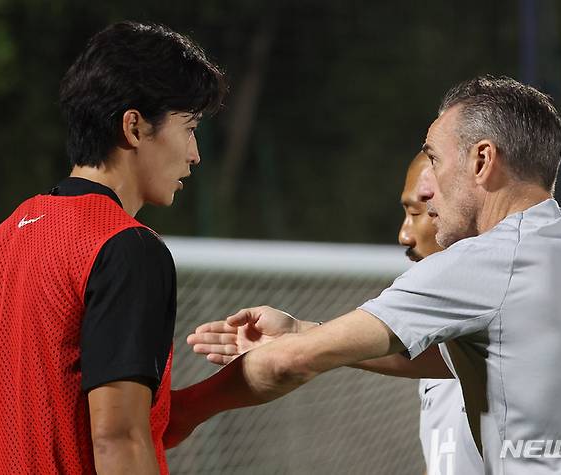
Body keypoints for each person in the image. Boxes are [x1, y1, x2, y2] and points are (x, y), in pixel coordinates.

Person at [182, 76, 561, 474]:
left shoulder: (482, 262)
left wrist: (180, 413)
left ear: (482, 160)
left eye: (435, 161)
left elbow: (291, 363)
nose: (430, 188)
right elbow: (485, 359)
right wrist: (303, 329)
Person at [0, 21, 225, 474]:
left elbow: (78, 417)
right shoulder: (125, 247)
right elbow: (118, 439)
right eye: (189, 128)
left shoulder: (4, 239)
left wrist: (239, 386)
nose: (195, 154)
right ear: (133, 126)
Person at [190, 153, 484, 475]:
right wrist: (298, 332)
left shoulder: (512, 326)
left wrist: (187, 409)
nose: (404, 235)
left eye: (417, 212)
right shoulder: (444, 345)